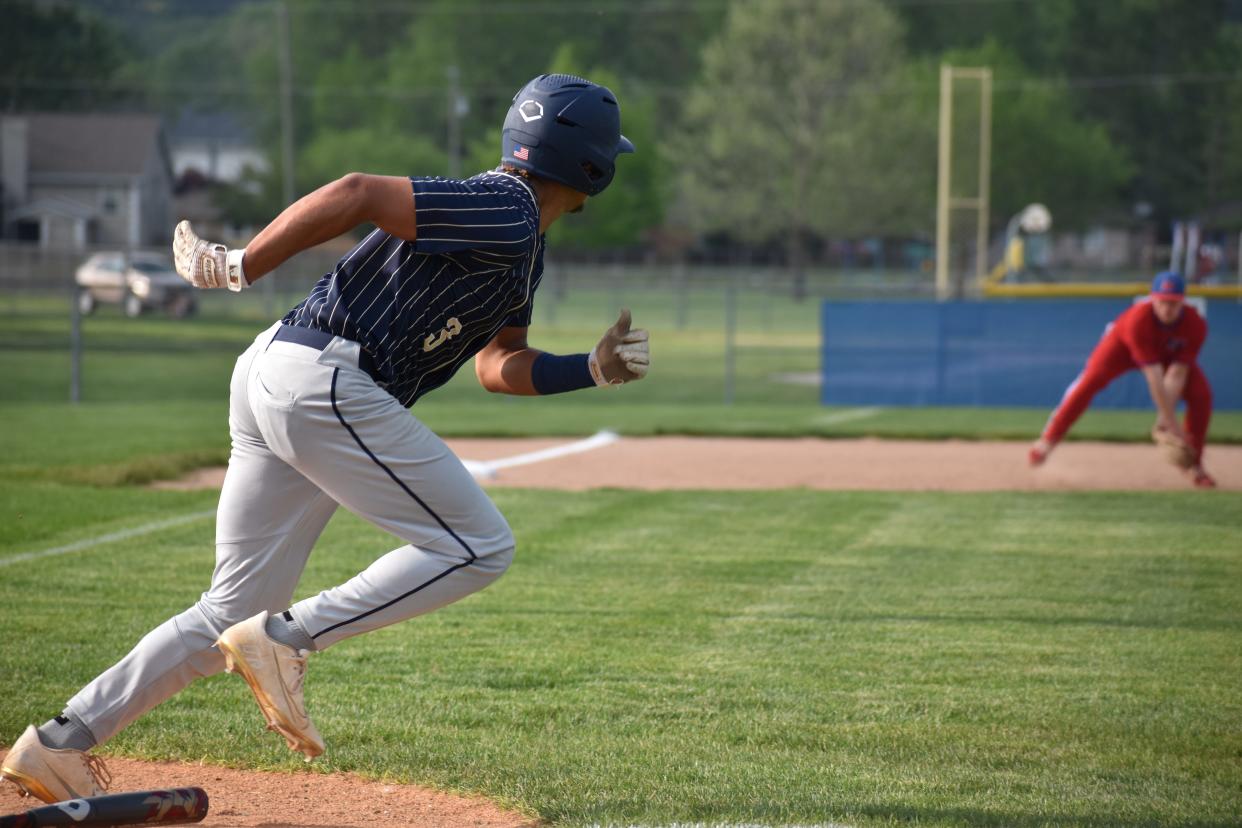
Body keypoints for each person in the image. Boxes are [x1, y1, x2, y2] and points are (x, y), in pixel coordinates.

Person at [1, 73, 648, 803]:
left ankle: (59, 744)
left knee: (227, 611)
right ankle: (289, 639)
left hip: (286, 376)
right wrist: (238, 264)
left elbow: (498, 365)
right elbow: (357, 191)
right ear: (593, 167)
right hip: (325, 383)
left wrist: (588, 369)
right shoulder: (507, 207)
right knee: (478, 547)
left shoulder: (517, 235)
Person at [1028, 271, 1215, 488]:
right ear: (1152, 298)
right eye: (1162, 301)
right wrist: (1171, 420)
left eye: (1173, 303)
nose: (1167, 308)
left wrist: (1165, 422)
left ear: (1183, 302)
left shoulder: (1195, 325)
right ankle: (1047, 441)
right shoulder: (1138, 320)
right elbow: (1153, 376)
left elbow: (1176, 374)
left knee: (1201, 395)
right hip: (1121, 348)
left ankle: (1195, 466)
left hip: (1165, 357)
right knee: (1088, 383)